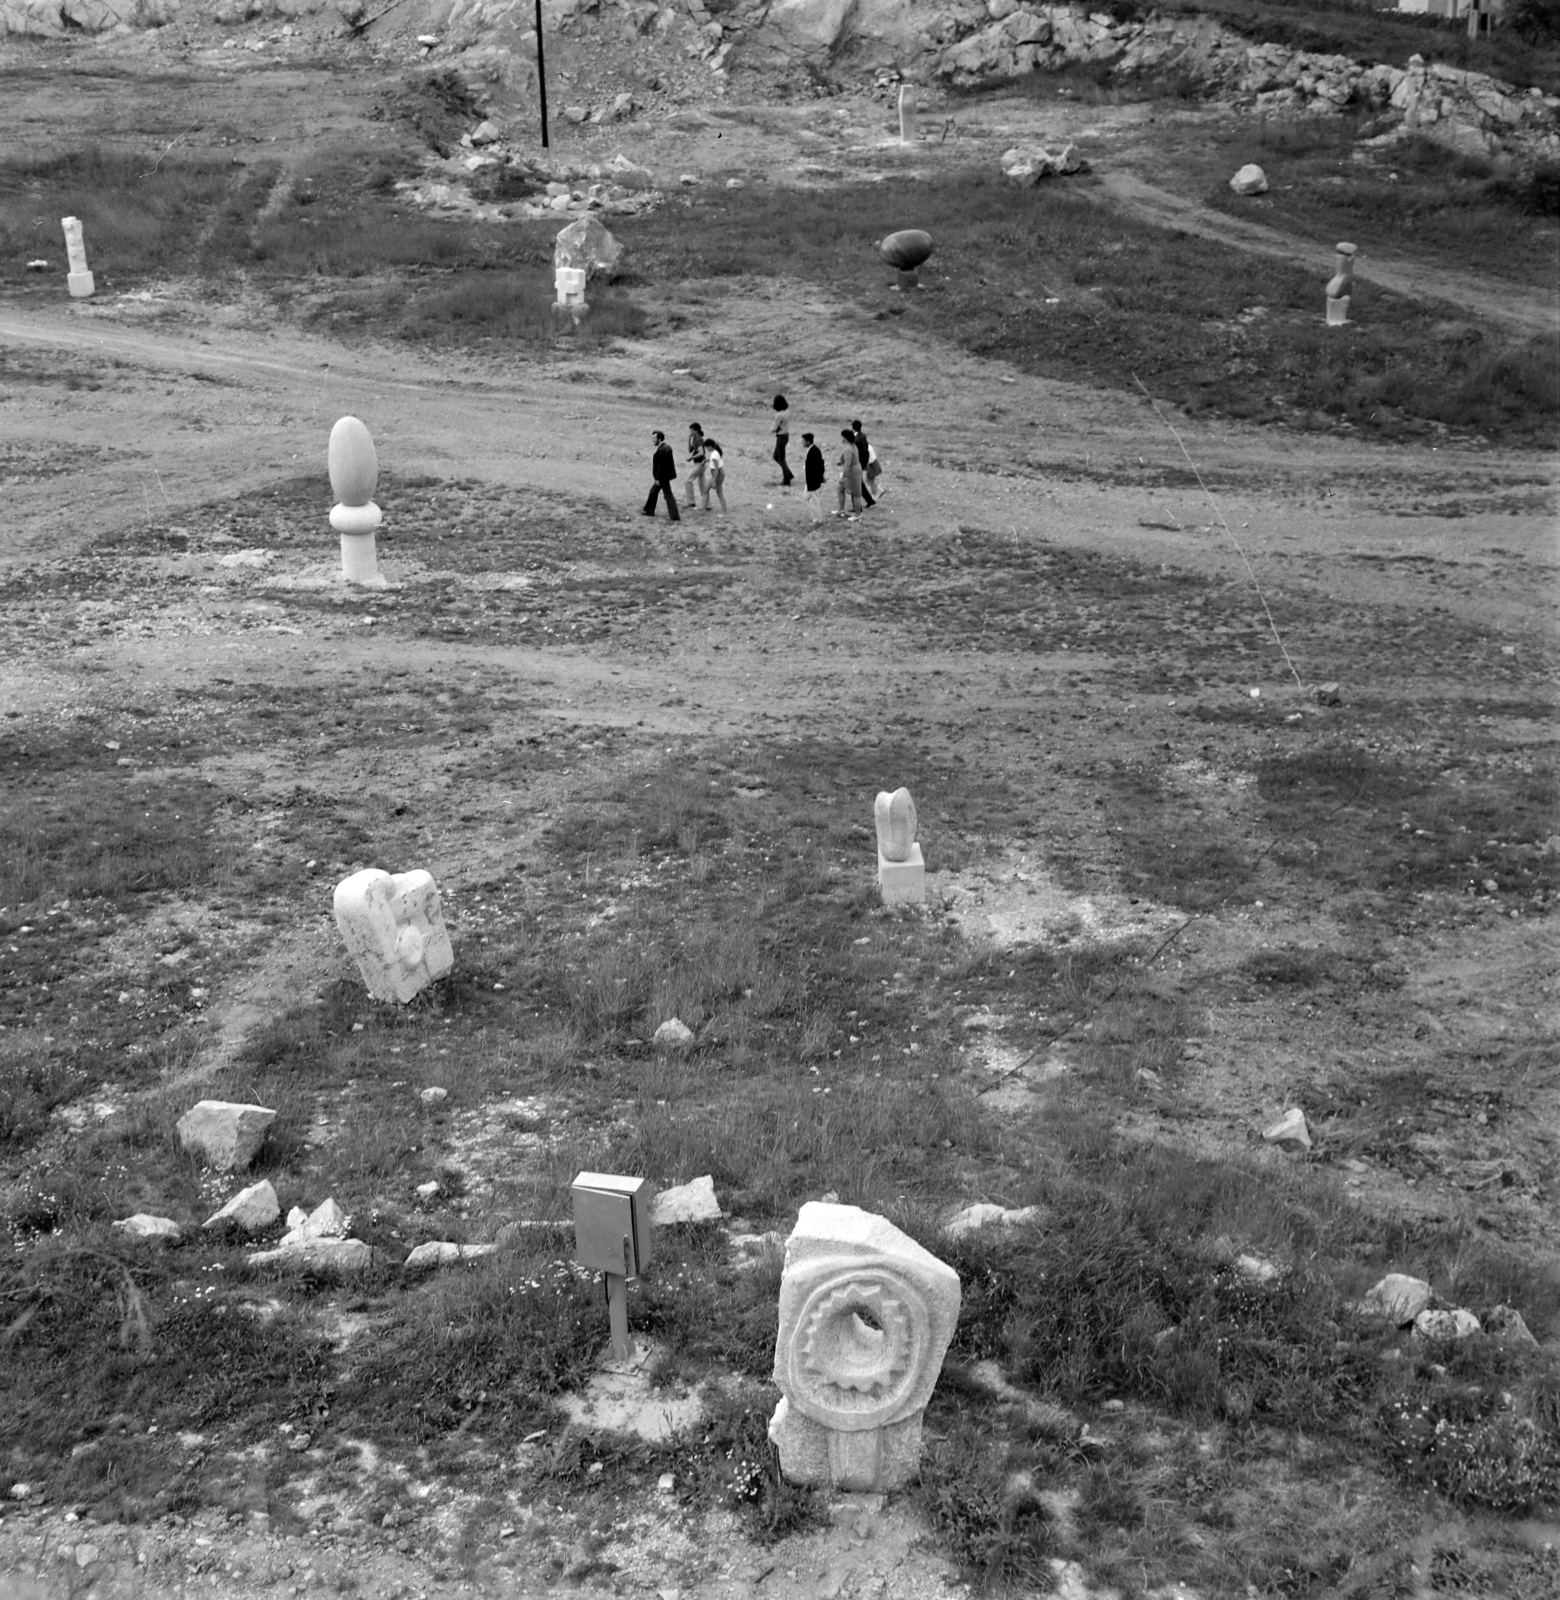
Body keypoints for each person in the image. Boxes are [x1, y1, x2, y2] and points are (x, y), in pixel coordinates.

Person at [643, 430, 680, 520]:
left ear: (659, 439)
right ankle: (649, 510)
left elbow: (661, 466)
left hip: (662, 477)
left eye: (654, 438)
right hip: (665, 476)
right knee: (654, 492)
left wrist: (658, 478)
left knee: (666, 495)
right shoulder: (667, 447)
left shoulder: (662, 449)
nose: (653, 440)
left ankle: (674, 515)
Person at [835, 428, 863, 517]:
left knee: (855, 494)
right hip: (855, 470)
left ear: (845, 438)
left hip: (852, 472)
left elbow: (847, 465)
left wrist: (843, 477)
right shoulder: (852, 446)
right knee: (840, 489)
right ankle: (841, 510)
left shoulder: (848, 449)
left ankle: (857, 515)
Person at [851, 420, 877, 508]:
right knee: (859, 483)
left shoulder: (856, 440)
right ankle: (869, 500)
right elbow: (866, 451)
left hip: (857, 464)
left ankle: (856, 506)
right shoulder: (863, 436)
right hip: (862, 463)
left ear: (853, 428)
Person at [683, 422, 708, 511]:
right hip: (701, 463)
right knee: (702, 485)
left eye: (692, 430)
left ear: (696, 430)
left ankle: (691, 502)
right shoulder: (695, 439)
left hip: (700, 463)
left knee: (688, 481)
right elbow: (690, 450)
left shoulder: (698, 439)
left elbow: (701, 453)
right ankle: (707, 505)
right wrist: (689, 440)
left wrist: (691, 458)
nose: (690, 432)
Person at [772, 394, 794, 488]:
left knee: (780, 458)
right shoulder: (786, 413)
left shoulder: (779, 415)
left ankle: (787, 479)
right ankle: (788, 474)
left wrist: (773, 428)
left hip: (780, 437)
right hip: (785, 436)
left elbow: (773, 429)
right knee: (777, 456)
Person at [802, 432, 825, 522]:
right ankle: (815, 516)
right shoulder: (813, 450)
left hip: (812, 479)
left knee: (813, 499)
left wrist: (819, 477)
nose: (802, 442)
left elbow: (818, 466)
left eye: (803, 441)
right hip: (811, 479)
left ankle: (817, 518)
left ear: (808, 442)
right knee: (807, 497)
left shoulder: (814, 452)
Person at [703, 435, 727, 512]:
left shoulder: (713, 455)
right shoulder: (716, 452)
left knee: (705, 490)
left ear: (710, 446)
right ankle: (725, 510)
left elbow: (716, 469)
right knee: (720, 493)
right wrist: (707, 460)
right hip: (721, 473)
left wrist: (714, 480)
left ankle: (704, 508)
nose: (706, 449)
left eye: (707, 447)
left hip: (717, 474)